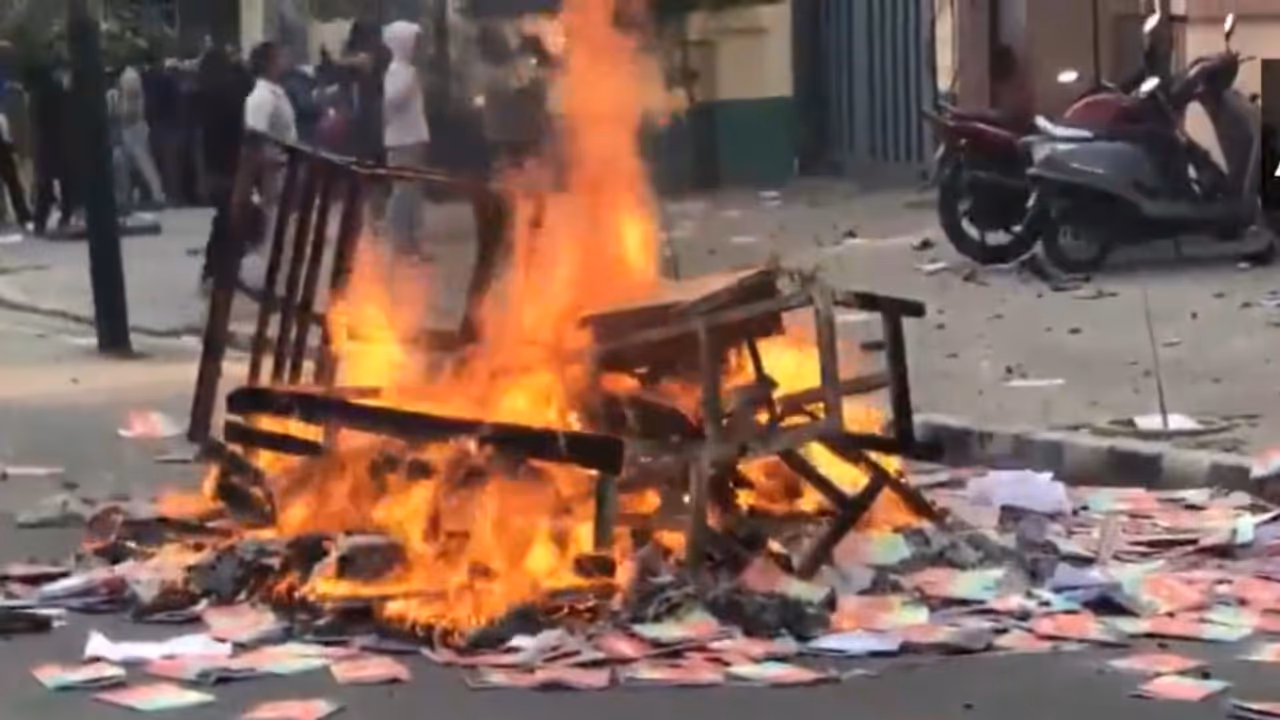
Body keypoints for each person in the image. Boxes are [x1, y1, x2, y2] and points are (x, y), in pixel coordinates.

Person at [196, 46, 253, 290]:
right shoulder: (230, 93)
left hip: (215, 166)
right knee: (233, 220)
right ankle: (220, 270)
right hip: (230, 166)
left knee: (225, 219)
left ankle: (217, 269)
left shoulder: (206, 93)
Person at [382, 20, 431, 256]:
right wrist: (411, 83)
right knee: (403, 193)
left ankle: (413, 241)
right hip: (402, 141)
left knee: (413, 194)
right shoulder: (398, 70)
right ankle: (400, 241)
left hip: (413, 138)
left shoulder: (408, 70)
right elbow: (392, 101)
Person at [114, 65, 167, 209]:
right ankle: (150, 194)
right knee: (135, 163)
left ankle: (155, 194)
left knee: (143, 163)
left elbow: (129, 112)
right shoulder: (132, 86)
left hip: (134, 130)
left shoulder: (130, 85)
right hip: (134, 129)